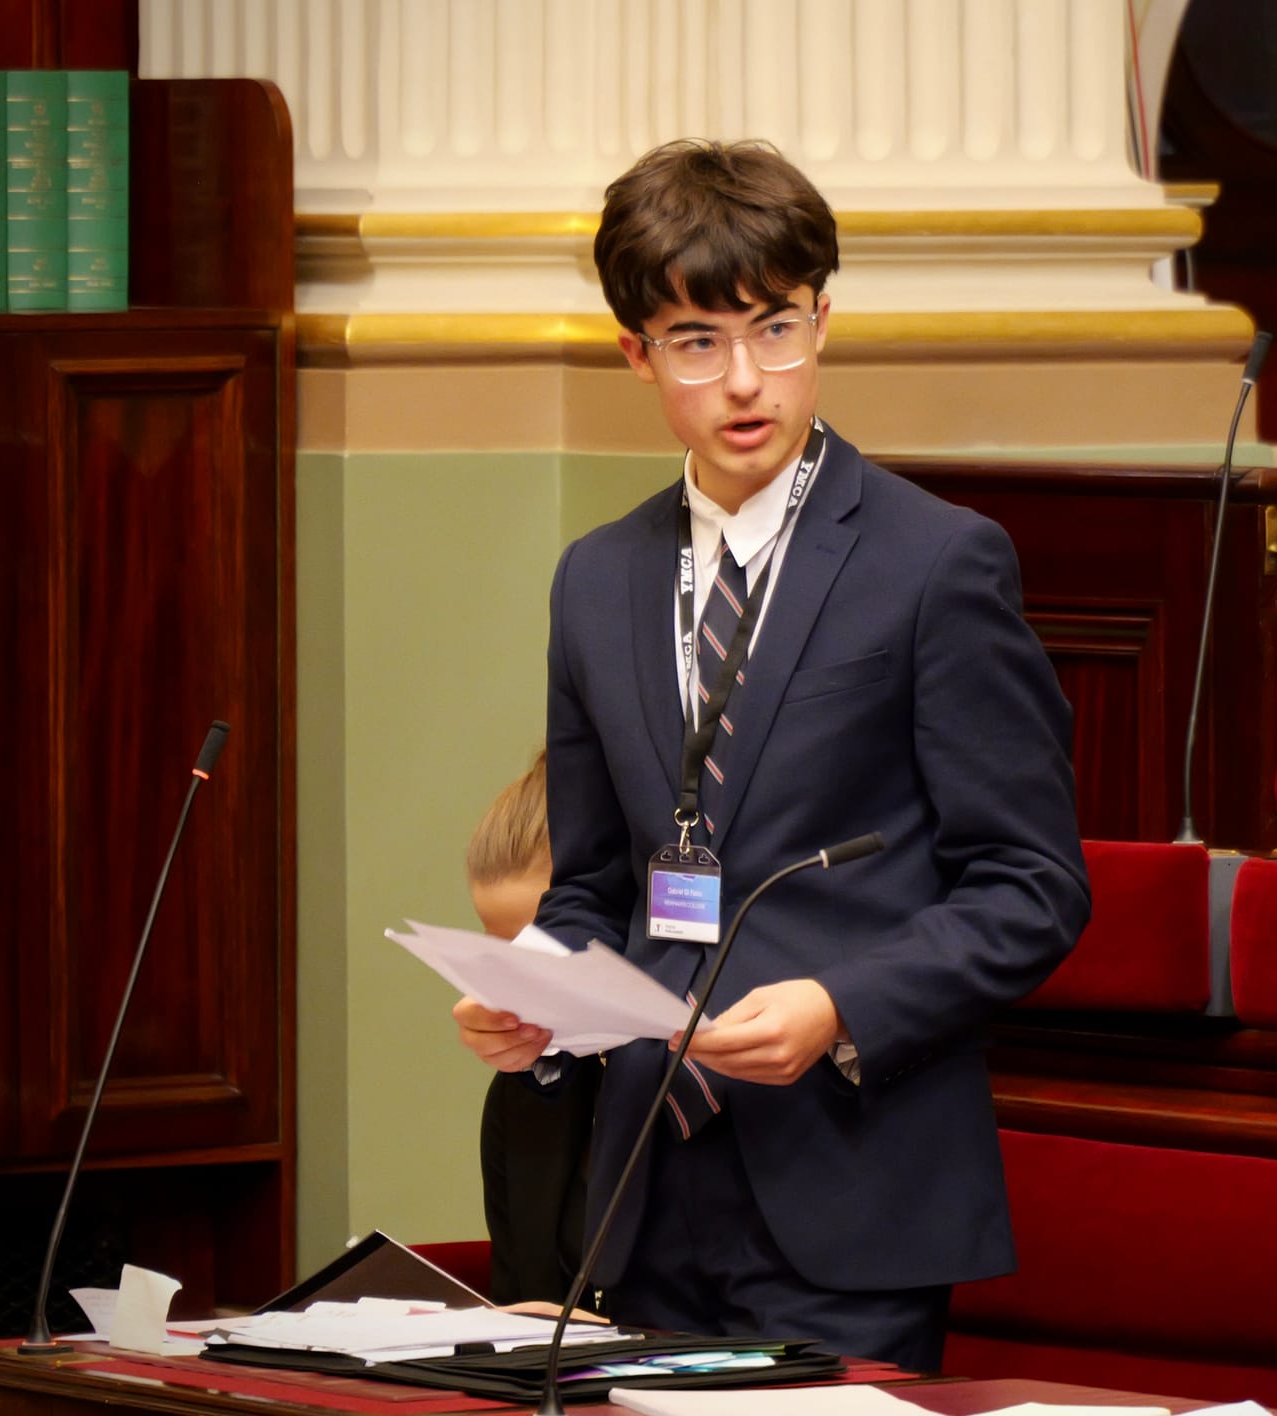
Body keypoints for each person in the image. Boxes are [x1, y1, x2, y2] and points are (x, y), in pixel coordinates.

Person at [450, 139, 1089, 1373]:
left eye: (777, 330)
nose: (747, 381)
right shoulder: (596, 579)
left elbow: (1031, 886)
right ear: (635, 354)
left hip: (851, 1180)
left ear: (823, 321)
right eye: (697, 341)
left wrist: (841, 1005)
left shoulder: (935, 562)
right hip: (641, 1183)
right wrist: (531, 986)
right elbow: (593, 882)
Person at [463, 751, 605, 1307]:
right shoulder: (521, 1098)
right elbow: (518, 1291)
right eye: (503, 957)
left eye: (543, 948)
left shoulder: (699, 1096)